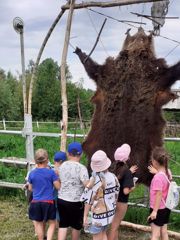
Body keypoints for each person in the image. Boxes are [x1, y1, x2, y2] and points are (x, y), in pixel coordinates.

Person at [81, 150, 120, 240]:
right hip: (109, 214)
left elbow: (88, 199)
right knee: (103, 234)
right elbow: (116, 194)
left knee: (97, 237)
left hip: (98, 216)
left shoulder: (94, 180)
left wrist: (85, 216)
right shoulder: (113, 177)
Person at [57, 142, 89, 240]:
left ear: (68, 153)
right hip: (76, 202)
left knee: (63, 224)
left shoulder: (62, 166)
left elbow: (59, 179)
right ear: (81, 154)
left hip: (61, 199)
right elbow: (86, 184)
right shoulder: (82, 168)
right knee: (76, 226)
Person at [28, 148, 60, 240]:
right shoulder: (51, 173)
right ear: (47, 160)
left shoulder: (32, 173)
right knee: (52, 223)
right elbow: (58, 187)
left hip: (35, 202)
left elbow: (30, 188)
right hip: (48, 202)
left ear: (35, 160)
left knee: (38, 223)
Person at [108, 143, 138, 240]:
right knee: (114, 227)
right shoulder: (127, 172)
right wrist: (134, 186)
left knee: (114, 226)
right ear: (127, 157)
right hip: (121, 202)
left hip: (112, 200)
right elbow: (126, 191)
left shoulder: (112, 167)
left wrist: (129, 172)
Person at [147, 146, 172, 240]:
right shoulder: (168, 172)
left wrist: (154, 211)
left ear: (154, 162)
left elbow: (159, 194)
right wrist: (157, 172)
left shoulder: (157, 177)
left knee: (155, 234)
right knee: (164, 231)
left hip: (158, 209)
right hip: (166, 207)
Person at [53, 151, 67, 223]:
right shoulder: (65, 170)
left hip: (51, 194)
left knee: (55, 209)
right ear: (62, 161)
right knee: (59, 209)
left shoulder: (52, 169)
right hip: (61, 194)